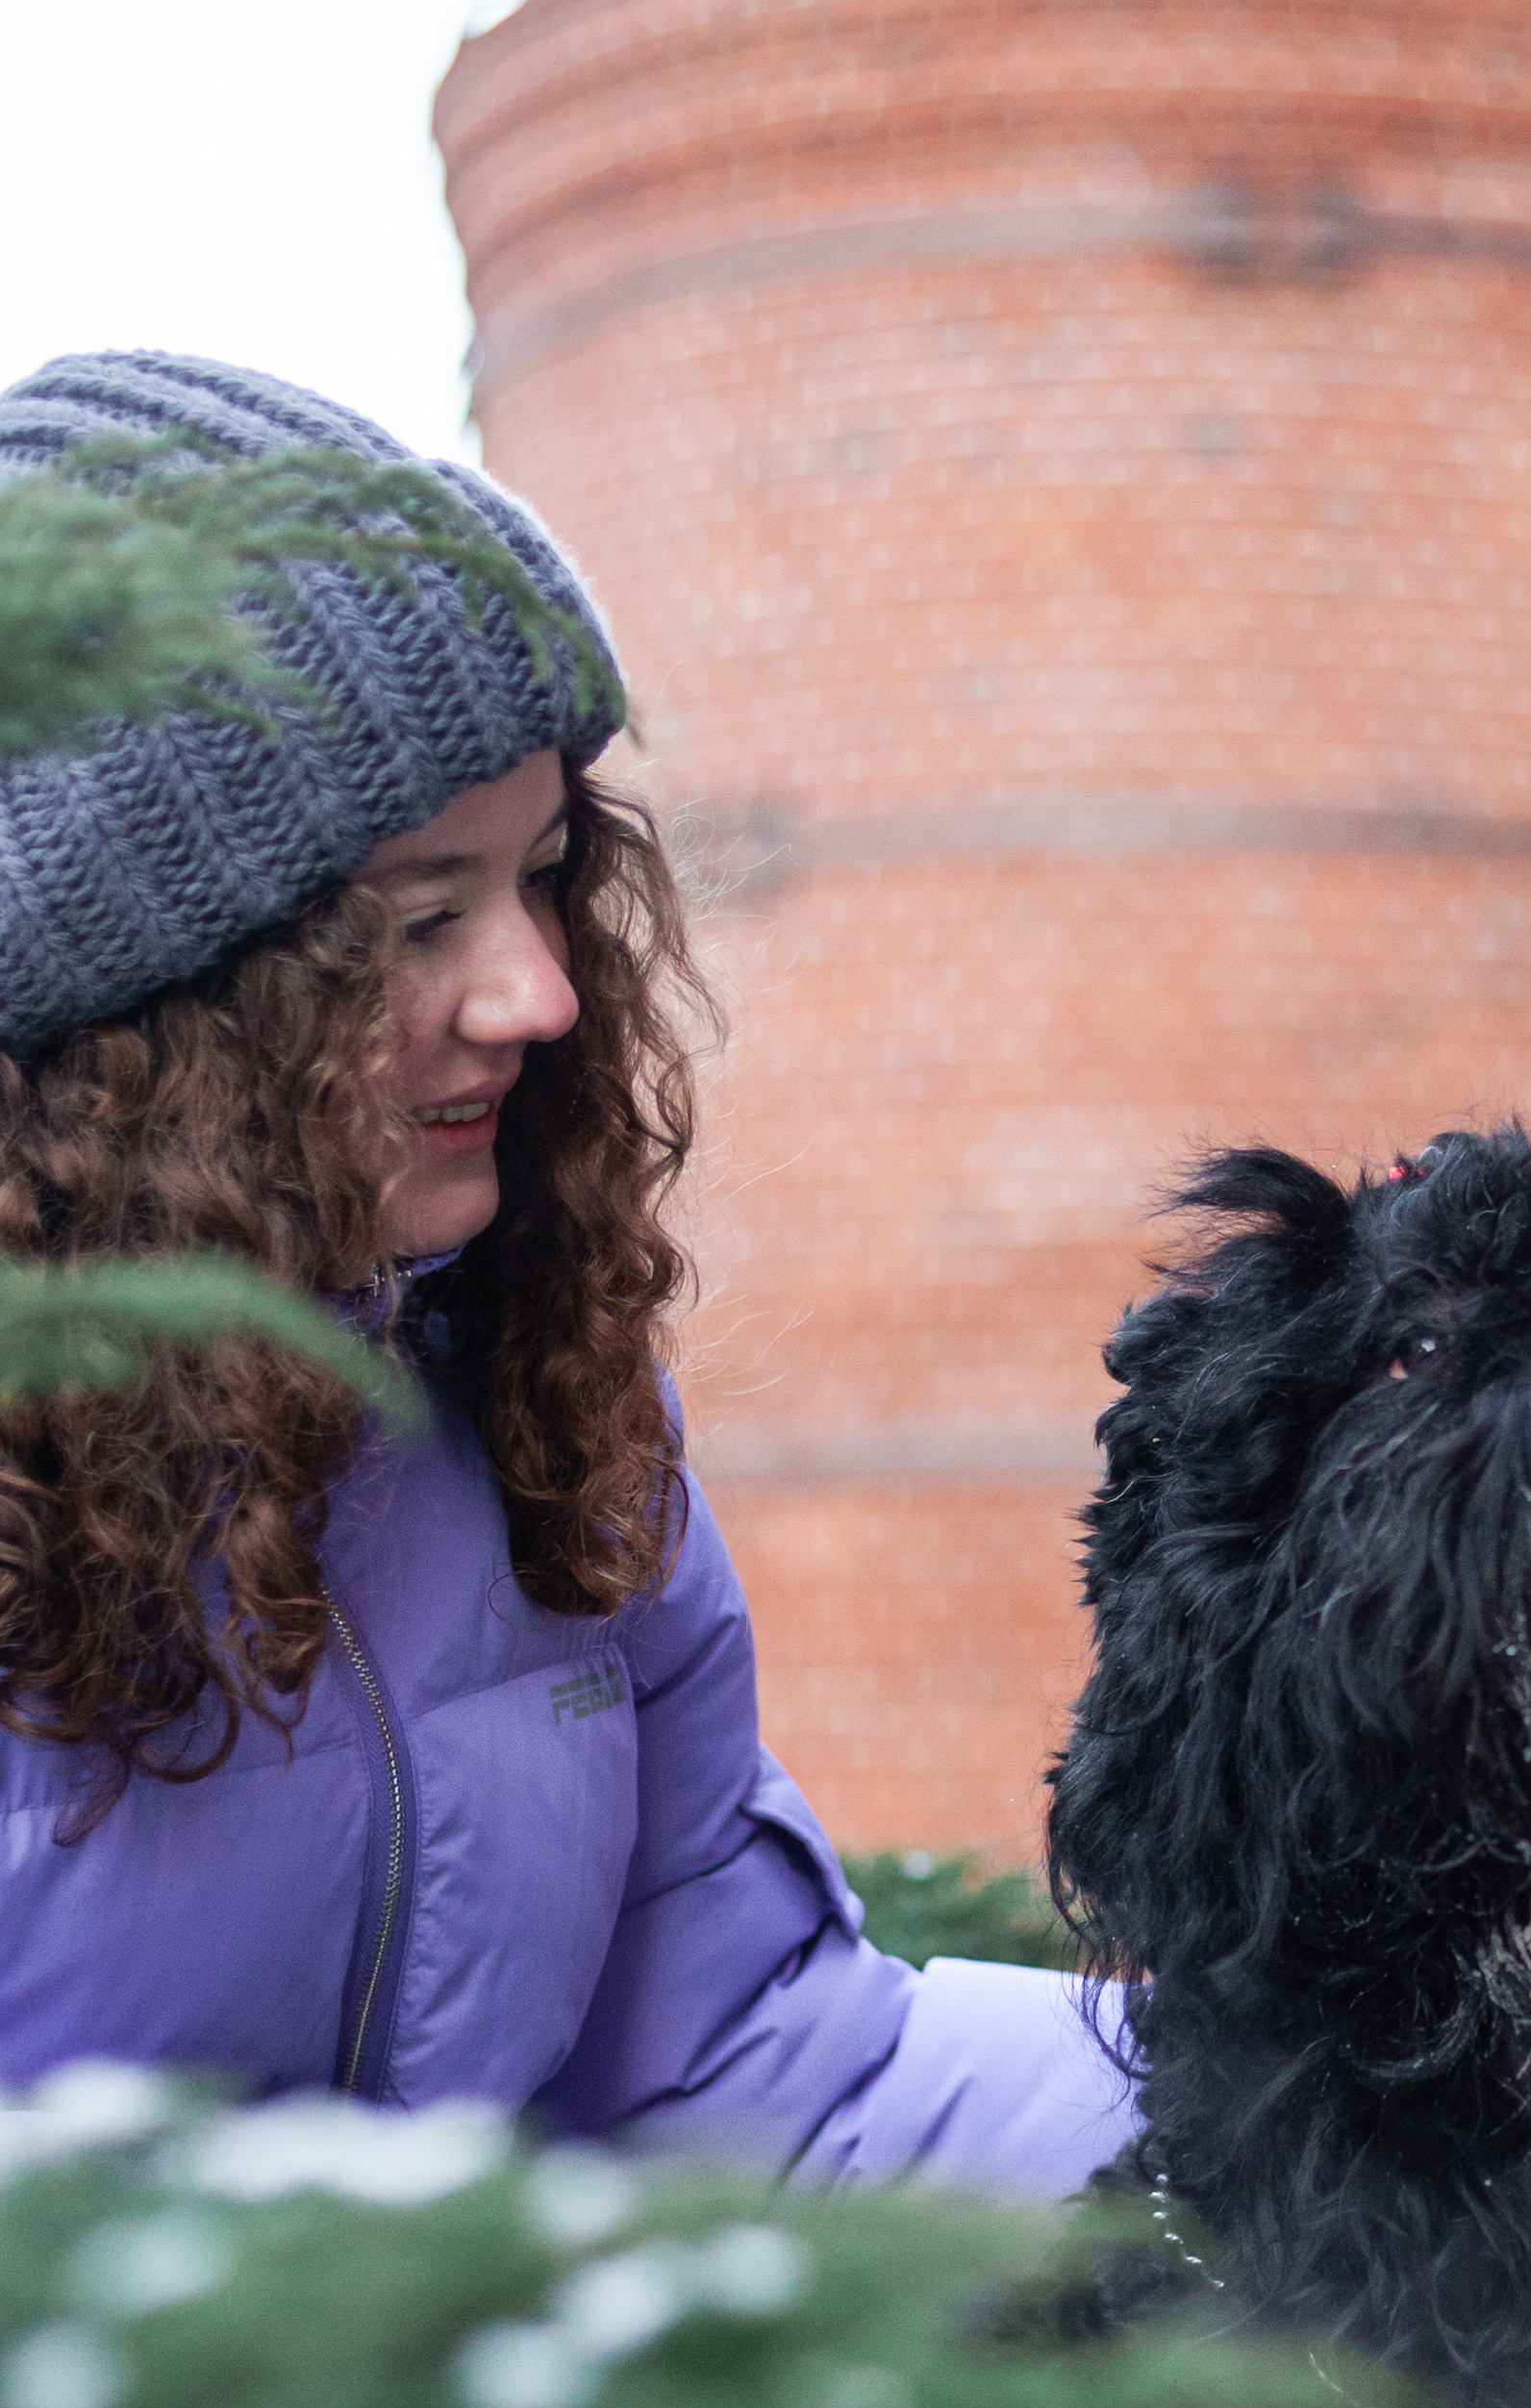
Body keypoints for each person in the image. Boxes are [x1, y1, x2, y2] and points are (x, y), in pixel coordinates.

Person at [0, 350, 1131, 2200]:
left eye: (544, 879)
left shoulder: (535, 1410)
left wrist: (1309, 2097)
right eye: (420, 919)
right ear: (139, 1004)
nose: (540, 994)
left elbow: (735, 2071)